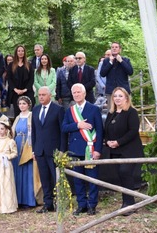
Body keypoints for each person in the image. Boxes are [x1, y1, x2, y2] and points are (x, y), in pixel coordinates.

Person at [63, 83, 103, 216]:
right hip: (75, 149)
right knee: (77, 180)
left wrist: (97, 150)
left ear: (84, 93)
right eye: (74, 93)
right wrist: (77, 125)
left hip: (90, 149)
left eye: (78, 92)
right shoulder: (70, 111)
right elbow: (64, 128)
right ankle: (82, 204)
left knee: (92, 179)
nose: (76, 94)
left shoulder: (94, 109)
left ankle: (92, 205)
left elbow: (100, 130)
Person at [103, 87, 144, 214]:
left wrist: (118, 142)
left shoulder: (131, 112)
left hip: (129, 150)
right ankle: (128, 202)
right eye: (115, 96)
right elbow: (107, 130)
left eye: (120, 96)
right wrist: (107, 141)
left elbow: (133, 131)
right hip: (115, 151)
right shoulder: (111, 113)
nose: (117, 98)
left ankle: (129, 204)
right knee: (121, 176)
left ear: (126, 98)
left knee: (125, 172)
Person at [31, 86, 65, 213]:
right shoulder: (35, 110)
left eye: (43, 95)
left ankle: (59, 202)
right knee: (44, 179)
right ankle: (48, 203)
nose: (41, 97)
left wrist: (62, 149)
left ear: (50, 95)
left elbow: (62, 132)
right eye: (39, 95)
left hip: (54, 150)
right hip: (40, 150)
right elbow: (34, 131)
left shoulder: (58, 109)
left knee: (56, 178)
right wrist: (34, 149)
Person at [11, 96, 38, 208]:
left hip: (28, 144)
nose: (22, 106)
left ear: (28, 105)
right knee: (18, 172)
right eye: (20, 104)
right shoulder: (17, 117)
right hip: (17, 144)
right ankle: (19, 199)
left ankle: (29, 200)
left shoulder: (32, 116)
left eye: (24, 103)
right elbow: (13, 132)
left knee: (28, 172)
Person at [6, 45, 34, 116]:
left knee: (28, 113)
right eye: (19, 51)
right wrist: (15, 89)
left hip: (27, 92)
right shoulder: (11, 65)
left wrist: (24, 90)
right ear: (16, 52)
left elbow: (31, 79)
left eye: (22, 51)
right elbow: (9, 79)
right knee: (17, 113)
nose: (20, 52)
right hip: (15, 93)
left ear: (24, 52)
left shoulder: (29, 65)